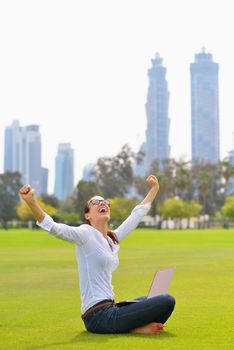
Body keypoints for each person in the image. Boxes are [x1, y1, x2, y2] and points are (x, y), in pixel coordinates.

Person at [19, 175, 175, 334]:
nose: (102, 203)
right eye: (95, 202)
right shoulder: (85, 234)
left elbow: (136, 215)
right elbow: (54, 228)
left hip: (111, 307)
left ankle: (135, 327)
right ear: (88, 215)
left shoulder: (112, 239)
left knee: (156, 297)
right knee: (166, 300)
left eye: (106, 202)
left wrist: (154, 189)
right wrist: (32, 202)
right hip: (97, 316)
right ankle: (135, 329)